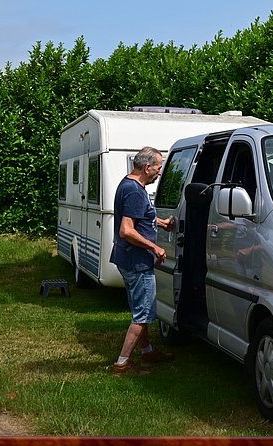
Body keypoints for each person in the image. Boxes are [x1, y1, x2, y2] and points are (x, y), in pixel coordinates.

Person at [110, 146, 176, 376]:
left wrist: (160, 223)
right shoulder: (135, 191)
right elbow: (127, 230)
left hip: (127, 258)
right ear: (147, 167)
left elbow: (140, 217)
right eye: (158, 167)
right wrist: (155, 247)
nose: (159, 172)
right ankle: (122, 363)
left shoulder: (129, 184)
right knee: (142, 313)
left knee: (141, 308)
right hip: (137, 261)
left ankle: (147, 351)